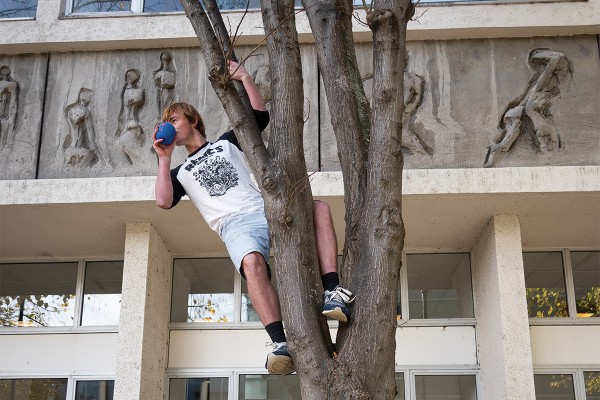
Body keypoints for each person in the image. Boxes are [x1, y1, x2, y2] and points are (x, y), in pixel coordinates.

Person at [153, 60, 355, 375]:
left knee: (319, 208)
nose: (168, 124)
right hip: (234, 226)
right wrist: (164, 159)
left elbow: (259, 118)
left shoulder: (225, 143)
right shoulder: (179, 173)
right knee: (251, 264)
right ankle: (279, 342)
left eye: (174, 119)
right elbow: (163, 201)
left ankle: (332, 292)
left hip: (262, 207)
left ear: (192, 119)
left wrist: (246, 78)